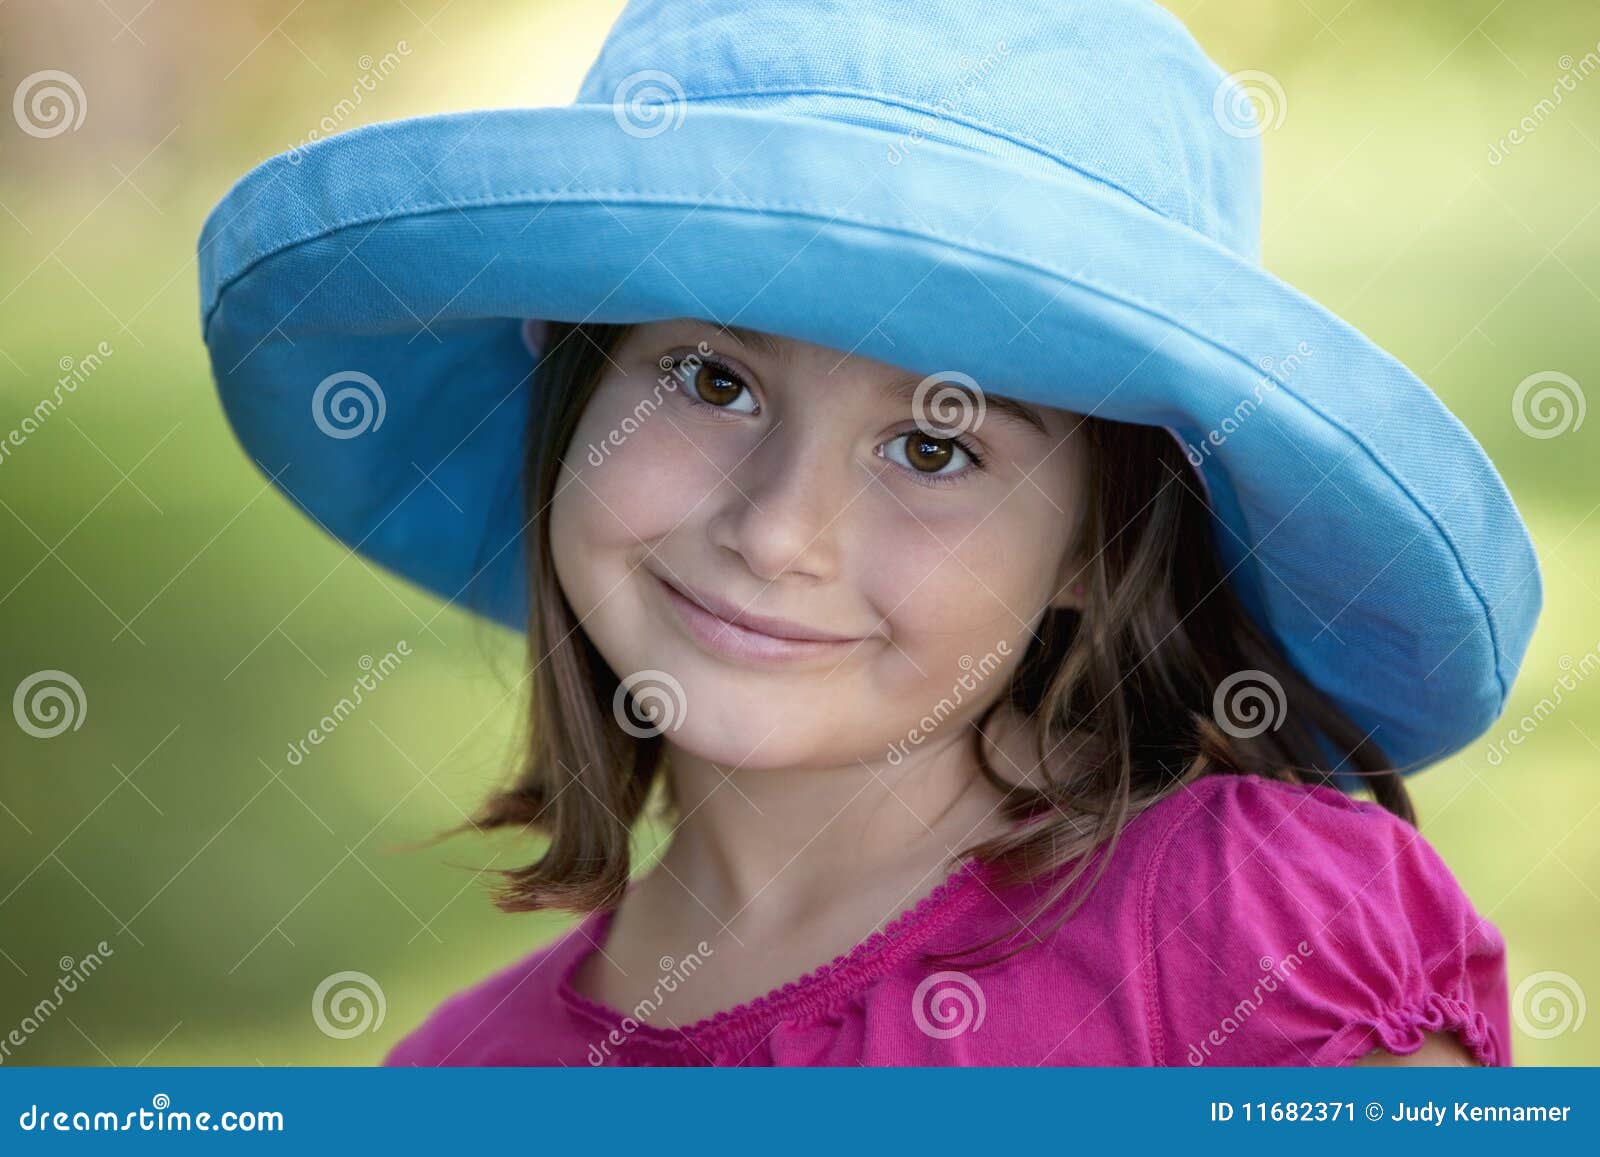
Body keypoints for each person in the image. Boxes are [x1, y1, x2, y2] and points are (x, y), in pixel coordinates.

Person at [197, 0, 1541, 1066]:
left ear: (1099, 540)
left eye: (938, 446)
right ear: (574, 386)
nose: (782, 532)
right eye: (714, 379)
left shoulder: (1250, 936)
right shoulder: (461, 1081)